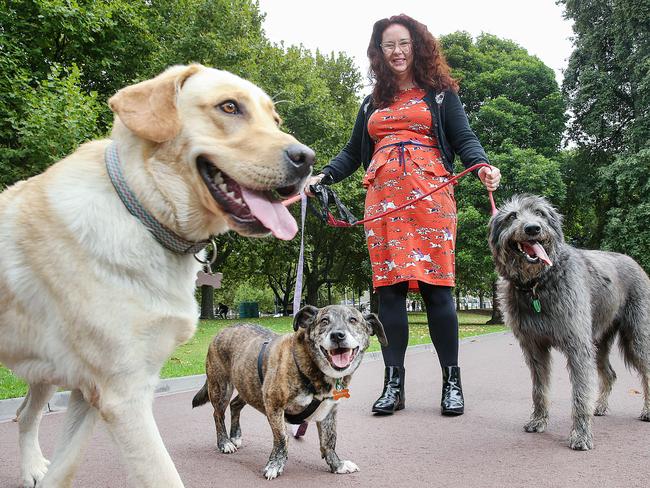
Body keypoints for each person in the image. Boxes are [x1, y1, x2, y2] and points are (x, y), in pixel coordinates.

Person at [307, 14, 500, 416]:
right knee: (388, 293)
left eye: (404, 44)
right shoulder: (371, 102)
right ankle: (393, 386)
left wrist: (481, 165)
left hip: (430, 198)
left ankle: (452, 383)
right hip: (383, 202)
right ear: (379, 52)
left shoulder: (441, 95)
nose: (397, 52)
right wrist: (324, 175)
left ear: (418, 47)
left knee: (438, 290)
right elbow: (351, 153)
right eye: (388, 45)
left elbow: (465, 139)